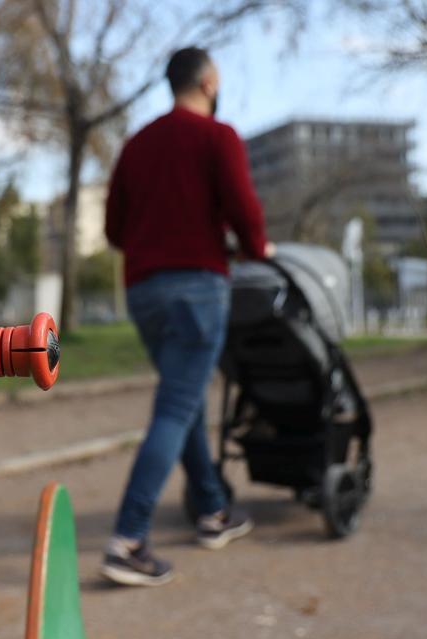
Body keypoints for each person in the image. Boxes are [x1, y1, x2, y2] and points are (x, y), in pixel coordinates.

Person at [101, 46, 274, 587]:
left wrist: (154, 240)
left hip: (145, 292)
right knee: (177, 405)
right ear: (208, 82)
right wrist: (255, 248)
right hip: (198, 285)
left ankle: (212, 512)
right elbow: (244, 208)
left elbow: (113, 229)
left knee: (187, 399)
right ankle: (128, 540)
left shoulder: (136, 145)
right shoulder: (217, 138)